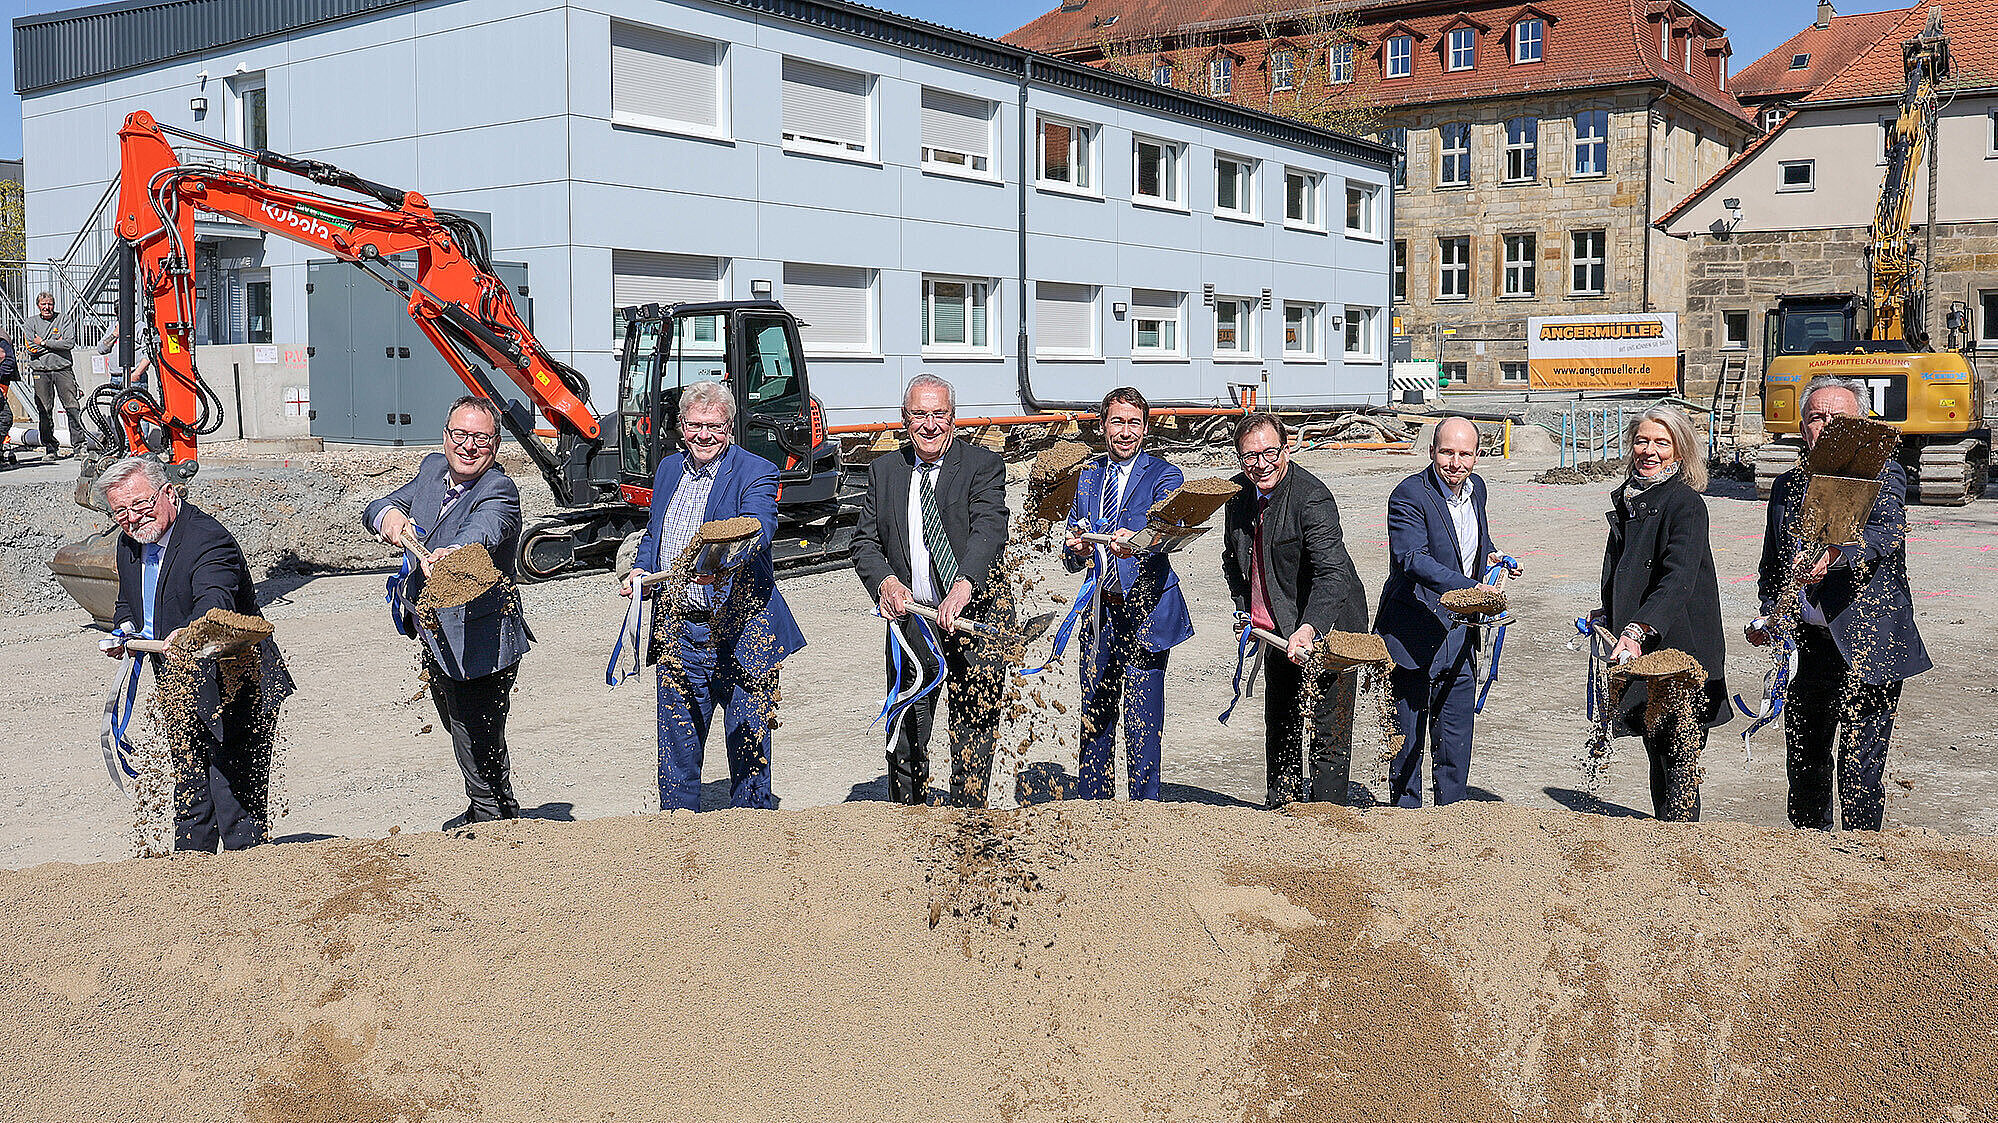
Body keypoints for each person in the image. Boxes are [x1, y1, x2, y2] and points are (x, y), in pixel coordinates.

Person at [1749, 376, 1930, 831]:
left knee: (1860, 763)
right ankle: (1810, 852)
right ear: (1802, 426)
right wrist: (1771, 614)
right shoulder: (1787, 485)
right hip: (1807, 645)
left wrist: (1834, 555)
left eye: (1838, 418)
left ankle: (1860, 855)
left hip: (1866, 641)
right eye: (1816, 417)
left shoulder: (1882, 471)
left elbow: (1882, 535)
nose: (1825, 426)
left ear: (1859, 424)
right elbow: (1772, 567)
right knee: (1805, 755)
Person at [621, 380, 804, 812]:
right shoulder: (667, 469)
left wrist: (721, 559)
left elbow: (760, 526)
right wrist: (641, 569)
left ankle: (751, 848)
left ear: (731, 428)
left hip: (742, 629)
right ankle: (677, 842)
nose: (704, 435)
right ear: (681, 426)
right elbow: (656, 533)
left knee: (749, 751)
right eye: (695, 425)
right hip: (678, 631)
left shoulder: (755, 470)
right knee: (677, 753)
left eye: (716, 427)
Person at [98, 456, 294, 852]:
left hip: (238, 681)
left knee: (233, 799)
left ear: (169, 492)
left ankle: (252, 888)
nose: (134, 518)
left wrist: (188, 634)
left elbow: (214, 602)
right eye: (121, 512)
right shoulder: (130, 543)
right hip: (179, 682)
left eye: (142, 504)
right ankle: (191, 884)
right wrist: (124, 631)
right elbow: (130, 603)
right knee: (191, 792)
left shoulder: (208, 540)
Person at [365, 395, 531, 826]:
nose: (468, 446)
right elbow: (382, 504)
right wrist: (388, 517)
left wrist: (457, 552)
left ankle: (493, 821)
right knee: (460, 725)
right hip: (437, 633)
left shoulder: (498, 489)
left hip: (481, 639)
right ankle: (492, 807)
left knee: (476, 732)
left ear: (496, 445)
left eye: (481, 438)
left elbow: (486, 528)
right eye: (460, 435)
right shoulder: (432, 470)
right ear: (445, 436)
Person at [852, 374, 1011, 807]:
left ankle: (967, 826)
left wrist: (964, 583)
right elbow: (865, 541)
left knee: (973, 729)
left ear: (953, 418)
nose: (929, 424)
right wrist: (885, 581)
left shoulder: (982, 465)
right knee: (907, 729)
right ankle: (909, 820)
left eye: (938, 413)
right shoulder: (885, 470)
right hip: (914, 621)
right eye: (919, 414)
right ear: (904, 419)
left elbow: (990, 526)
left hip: (974, 616)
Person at [1220, 412, 1369, 807]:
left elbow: (1333, 573)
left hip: (1331, 627)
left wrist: (1310, 628)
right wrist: (1244, 609)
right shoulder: (1236, 495)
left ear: (1287, 448)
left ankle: (1328, 818)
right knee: (1282, 723)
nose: (1261, 464)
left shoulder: (1311, 497)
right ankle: (1282, 812)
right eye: (1250, 456)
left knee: (1328, 731)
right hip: (1278, 629)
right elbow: (1233, 559)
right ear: (1239, 458)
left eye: (1270, 452)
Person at [1375, 417, 1521, 808]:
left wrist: (1494, 556)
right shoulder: (1408, 495)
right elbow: (1412, 559)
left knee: (1456, 737)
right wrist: (1471, 588)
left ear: (1477, 455)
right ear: (1431, 452)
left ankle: (1452, 821)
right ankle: (1405, 823)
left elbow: (1471, 542)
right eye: (1447, 452)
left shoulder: (1478, 491)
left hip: (1460, 633)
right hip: (1412, 632)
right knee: (1406, 742)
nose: (1456, 462)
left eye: (1466, 453)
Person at [1596, 404, 1729, 822]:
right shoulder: (1632, 499)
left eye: (1661, 442)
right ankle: (1665, 843)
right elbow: (1629, 570)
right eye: (1642, 440)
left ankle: (1683, 850)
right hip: (1647, 651)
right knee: (1658, 749)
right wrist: (1608, 612)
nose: (1649, 451)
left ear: (1680, 452)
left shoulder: (1685, 504)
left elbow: (1678, 579)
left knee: (1680, 758)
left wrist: (1635, 631)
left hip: (1682, 651)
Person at [1060, 387, 1194, 800]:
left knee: (1143, 719)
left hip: (1146, 610)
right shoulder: (1087, 477)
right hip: (1099, 612)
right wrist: (1076, 547)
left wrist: (1136, 541)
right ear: (1102, 426)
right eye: (1116, 421)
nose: (1125, 431)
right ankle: (1094, 809)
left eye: (1134, 423)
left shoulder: (1165, 476)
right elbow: (1069, 547)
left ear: (1146, 428)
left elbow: (1167, 531)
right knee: (1095, 714)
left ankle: (1144, 814)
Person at [24, 292, 84, 458]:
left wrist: (43, 342)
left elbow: (69, 343)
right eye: (43, 304)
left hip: (63, 369)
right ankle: (50, 448)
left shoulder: (63, 319)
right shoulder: (31, 322)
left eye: (49, 304)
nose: (46, 307)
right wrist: (56, 343)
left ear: (54, 305)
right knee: (44, 410)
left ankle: (80, 446)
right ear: (38, 306)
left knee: (72, 407)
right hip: (41, 371)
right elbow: (31, 348)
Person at [0, 333, 17, 466]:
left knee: (5, 417)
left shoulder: (2, 340)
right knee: (5, 417)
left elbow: (9, 360)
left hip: (1, 383)